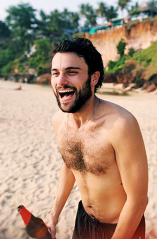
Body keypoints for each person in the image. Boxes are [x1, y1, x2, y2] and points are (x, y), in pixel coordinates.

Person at [44, 38, 148, 239]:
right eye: (55, 73)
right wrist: (53, 215)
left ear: (93, 78)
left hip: (122, 227)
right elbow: (70, 164)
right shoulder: (59, 121)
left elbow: (138, 201)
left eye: (71, 72)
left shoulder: (121, 124)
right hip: (83, 220)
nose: (61, 80)